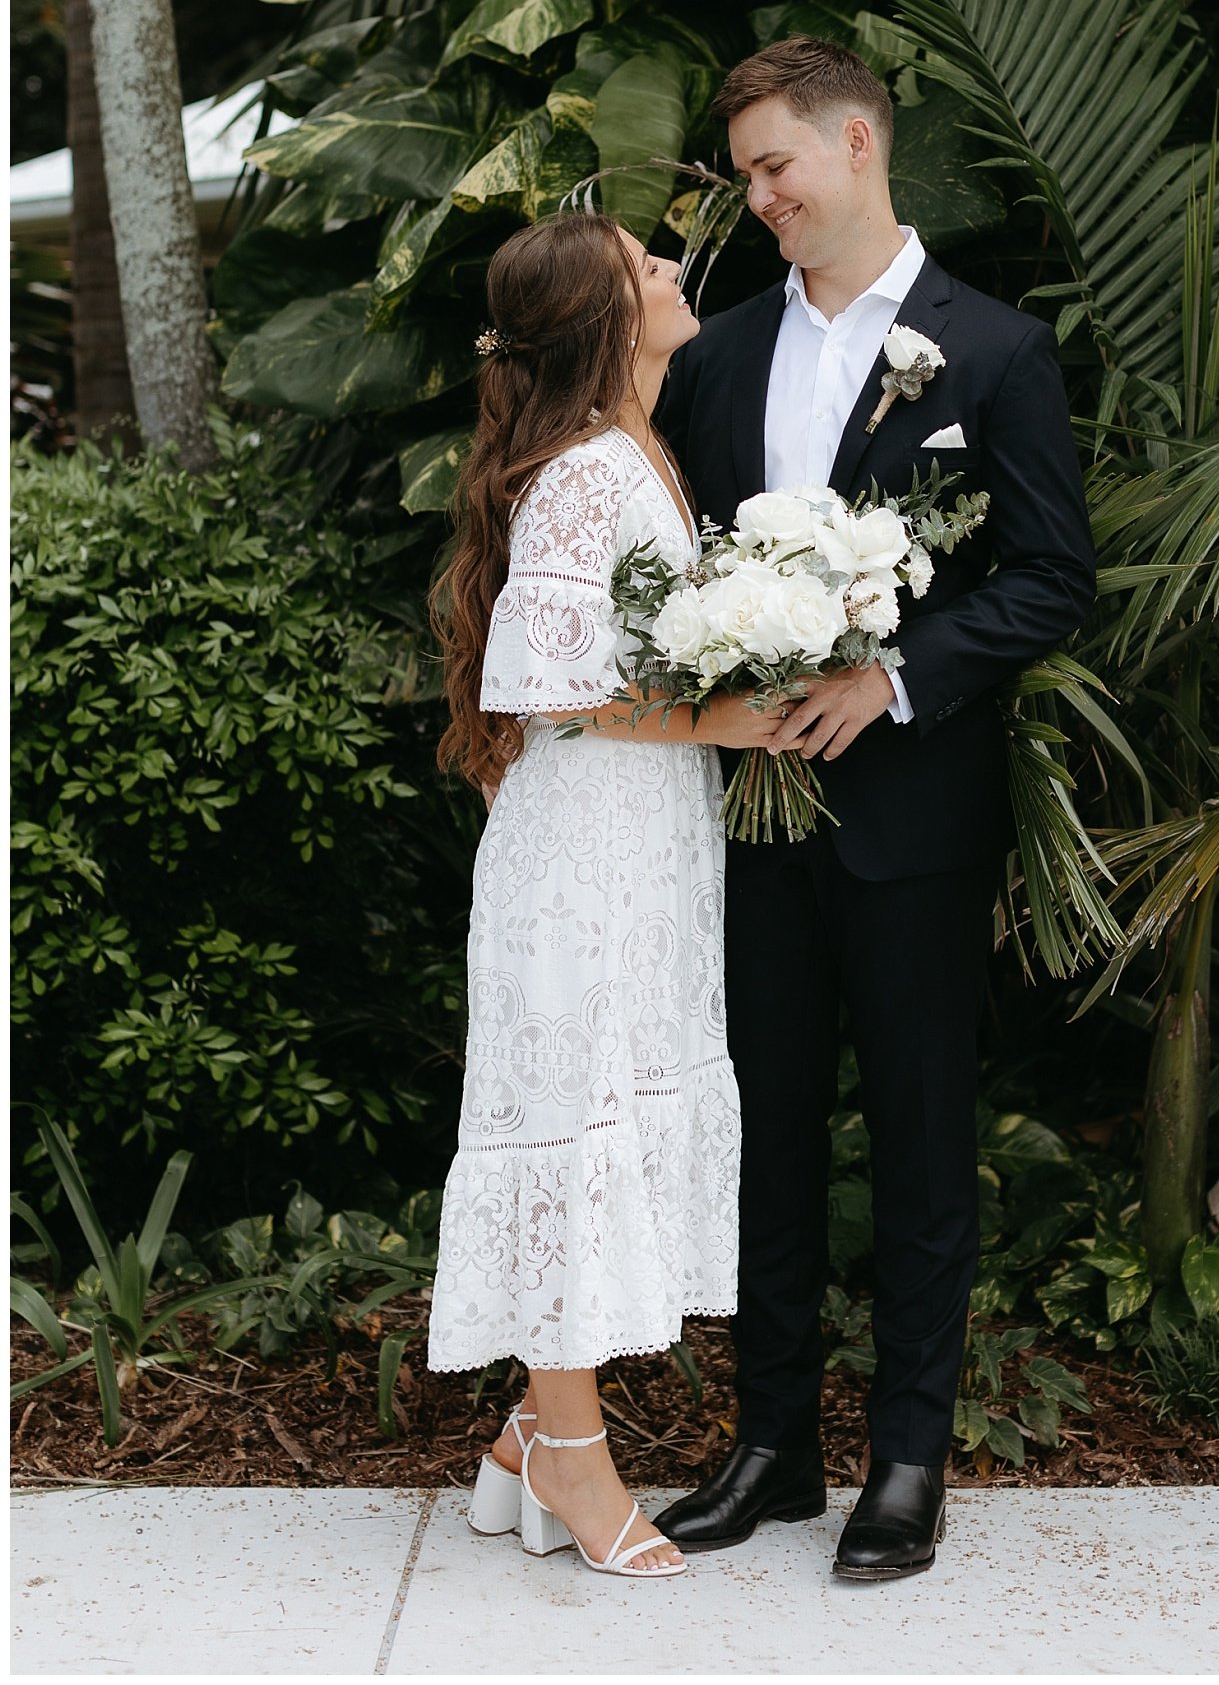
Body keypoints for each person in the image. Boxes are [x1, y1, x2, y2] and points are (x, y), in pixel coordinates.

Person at [653, 39, 1096, 1588]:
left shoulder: (993, 351)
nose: (758, 196)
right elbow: (683, 567)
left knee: (917, 1137)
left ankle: (908, 1454)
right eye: (747, 174)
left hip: (914, 817)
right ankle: (772, 1445)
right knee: (765, 1134)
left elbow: (1050, 573)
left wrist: (895, 676)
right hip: (751, 820)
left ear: (857, 141)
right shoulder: (710, 360)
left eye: (775, 164)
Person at [426, 212, 777, 1578]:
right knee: (578, 1121)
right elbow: (552, 682)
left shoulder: (635, 446)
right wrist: (729, 717)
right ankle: (574, 1452)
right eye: (646, 265)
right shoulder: (585, 474)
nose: (674, 273)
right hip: (581, 861)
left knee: (609, 1102)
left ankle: (528, 1428)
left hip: (637, 849)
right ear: (603, 318)